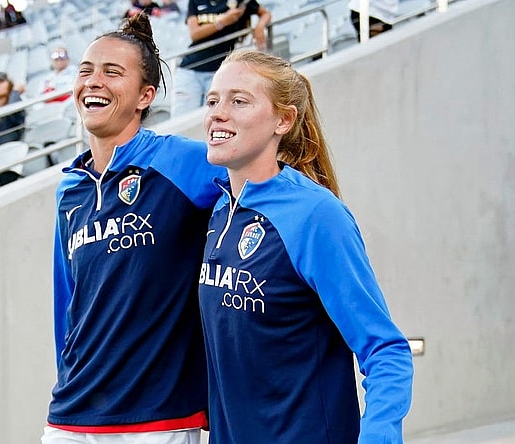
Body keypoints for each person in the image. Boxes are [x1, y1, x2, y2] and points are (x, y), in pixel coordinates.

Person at [198, 48, 414, 443]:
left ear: (284, 120)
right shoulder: (219, 211)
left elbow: (386, 351)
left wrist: (379, 436)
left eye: (239, 101)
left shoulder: (316, 215)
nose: (217, 112)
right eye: (212, 100)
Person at [43, 14, 226, 444]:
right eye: (86, 71)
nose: (93, 82)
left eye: (112, 72)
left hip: (158, 417)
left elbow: (262, 182)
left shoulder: (184, 163)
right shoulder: (69, 188)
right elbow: (66, 303)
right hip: (72, 414)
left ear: (146, 95)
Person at [171, 0, 271, 115]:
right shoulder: (195, 1)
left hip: (218, 71)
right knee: (181, 119)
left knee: (211, 117)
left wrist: (260, 26)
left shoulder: (240, 1)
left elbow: (265, 13)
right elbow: (195, 34)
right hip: (190, 69)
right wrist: (222, 22)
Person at [0, 72, 25, 149]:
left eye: (0, 82)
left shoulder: (15, 105)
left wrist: (16, 91)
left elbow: (13, 108)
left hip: (9, 151)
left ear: (9, 85)